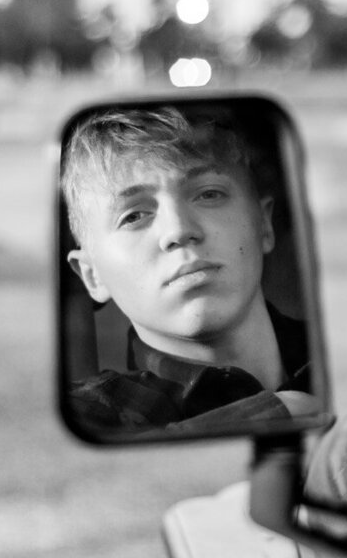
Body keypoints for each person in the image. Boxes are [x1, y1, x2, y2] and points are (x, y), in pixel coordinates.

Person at [60, 105, 315, 431]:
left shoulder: (342, 358)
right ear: (92, 275)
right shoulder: (90, 411)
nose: (178, 230)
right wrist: (276, 412)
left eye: (209, 194)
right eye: (134, 216)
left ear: (263, 224)